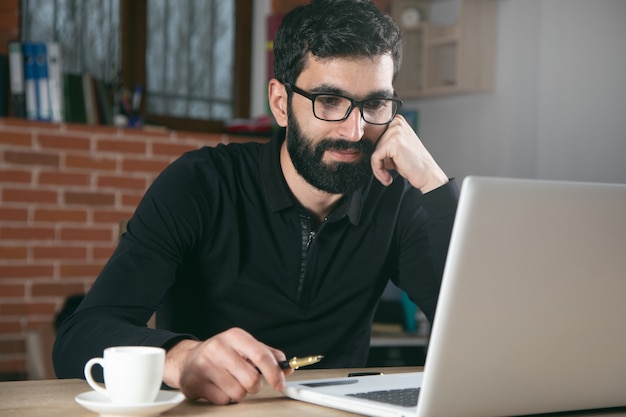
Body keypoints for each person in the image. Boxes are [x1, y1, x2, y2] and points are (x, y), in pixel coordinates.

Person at [53, 0, 459, 405]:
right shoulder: (199, 183)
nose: (355, 131)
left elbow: (484, 331)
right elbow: (79, 337)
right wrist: (179, 358)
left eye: (374, 105)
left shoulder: (397, 199)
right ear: (281, 103)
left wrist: (435, 185)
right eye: (329, 101)